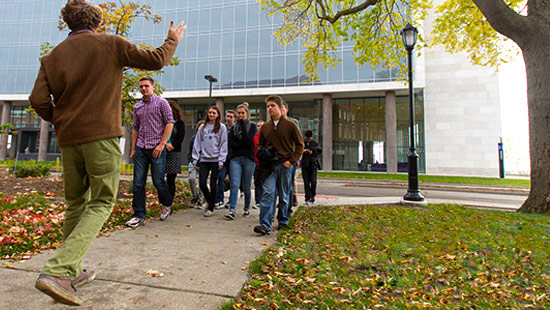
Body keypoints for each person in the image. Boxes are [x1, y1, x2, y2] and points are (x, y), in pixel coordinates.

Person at [28, 0, 185, 305]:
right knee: (101, 201)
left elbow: (37, 99)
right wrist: (172, 40)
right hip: (100, 136)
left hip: (69, 139)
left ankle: (70, 270)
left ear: (68, 23)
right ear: (96, 21)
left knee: (75, 203)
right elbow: (154, 61)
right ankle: (58, 269)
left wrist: (60, 119)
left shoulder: (51, 57)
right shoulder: (110, 43)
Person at [125, 77, 175, 227]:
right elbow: (135, 128)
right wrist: (133, 149)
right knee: (138, 183)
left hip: (157, 148)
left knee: (158, 181)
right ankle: (138, 215)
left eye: (146, 86)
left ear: (153, 86)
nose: (143, 89)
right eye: (141, 86)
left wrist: (162, 144)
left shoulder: (161, 103)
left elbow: (169, 123)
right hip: (141, 147)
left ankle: (167, 204)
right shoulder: (137, 106)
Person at [254, 95, 304, 235]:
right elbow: (260, 145)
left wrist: (291, 161)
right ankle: (265, 224)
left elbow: (300, 145)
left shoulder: (290, 126)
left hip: (285, 165)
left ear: (281, 108)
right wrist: (263, 154)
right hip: (269, 166)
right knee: (268, 193)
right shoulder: (265, 127)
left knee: (284, 194)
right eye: (268, 106)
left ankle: (283, 219)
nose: (270, 108)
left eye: (273, 106)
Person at [192, 106, 228, 217]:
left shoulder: (221, 128)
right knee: (202, 183)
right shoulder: (202, 127)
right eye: (209, 113)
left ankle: (211, 207)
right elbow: (197, 143)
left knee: (213, 184)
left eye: (213, 113)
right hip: (204, 159)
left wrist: (221, 160)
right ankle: (209, 201)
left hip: (216, 159)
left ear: (218, 115)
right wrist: (195, 158)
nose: (211, 115)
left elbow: (223, 144)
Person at [225, 103, 257, 220]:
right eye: (239, 113)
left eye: (243, 113)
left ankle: (246, 208)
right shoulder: (233, 128)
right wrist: (240, 145)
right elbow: (231, 144)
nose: (241, 115)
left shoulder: (252, 126)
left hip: (248, 159)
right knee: (234, 184)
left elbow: (249, 141)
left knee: (246, 185)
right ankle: (232, 210)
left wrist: (243, 126)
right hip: (236, 159)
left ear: (247, 114)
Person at [215, 110, 236, 209]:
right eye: (227, 116)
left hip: (232, 158)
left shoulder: (236, 129)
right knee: (220, 177)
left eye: (231, 117)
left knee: (233, 180)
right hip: (223, 158)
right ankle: (220, 199)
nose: (229, 118)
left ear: (234, 118)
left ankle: (231, 200)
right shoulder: (222, 128)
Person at [165, 100, 185, 200]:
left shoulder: (180, 123)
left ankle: (169, 201)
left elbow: (180, 137)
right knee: (160, 178)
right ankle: (163, 198)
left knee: (171, 179)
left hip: (174, 153)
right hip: (163, 151)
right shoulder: (163, 122)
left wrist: (172, 145)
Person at [281, 103, 300, 208]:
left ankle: (293, 197)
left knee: (291, 179)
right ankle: (283, 200)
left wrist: (296, 158)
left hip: (291, 156)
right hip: (280, 157)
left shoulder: (293, 123)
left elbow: (298, 142)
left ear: (286, 109)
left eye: (282, 108)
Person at [301, 130, 322, 205]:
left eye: (309, 139)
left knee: (313, 181)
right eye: (307, 138)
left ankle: (312, 195)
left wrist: (312, 151)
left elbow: (319, 150)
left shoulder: (314, 143)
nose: (308, 140)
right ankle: (307, 197)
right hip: (305, 165)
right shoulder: (302, 143)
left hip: (313, 165)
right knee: (306, 182)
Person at [187, 121, 204, 209]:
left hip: (203, 163)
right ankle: (194, 196)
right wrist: (191, 161)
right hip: (193, 162)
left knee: (202, 182)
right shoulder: (193, 139)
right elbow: (190, 151)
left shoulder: (207, 139)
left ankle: (200, 200)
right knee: (191, 178)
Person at [253, 120, 264, 209]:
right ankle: (258, 200)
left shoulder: (267, 137)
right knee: (257, 182)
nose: (259, 127)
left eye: (261, 126)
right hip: (256, 162)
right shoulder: (255, 138)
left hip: (264, 163)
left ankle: (264, 199)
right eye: (258, 126)